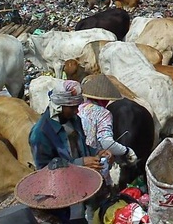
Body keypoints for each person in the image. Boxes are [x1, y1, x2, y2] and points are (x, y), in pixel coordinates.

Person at [29, 80, 111, 222]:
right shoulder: (40, 133)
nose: (76, 111)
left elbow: (83, 144)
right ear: (60, 106)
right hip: (62, 195)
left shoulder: (74, 119)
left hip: (83, 183)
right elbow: (44, 171)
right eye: (72, 107)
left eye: (77, 106)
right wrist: (79, 163)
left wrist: (97, 153)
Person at [78, 74, 138, 166]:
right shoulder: (103, 113)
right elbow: (106, 142)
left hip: (77, 156)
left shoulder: (79, 108)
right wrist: (127, 151)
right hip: (93, 160)